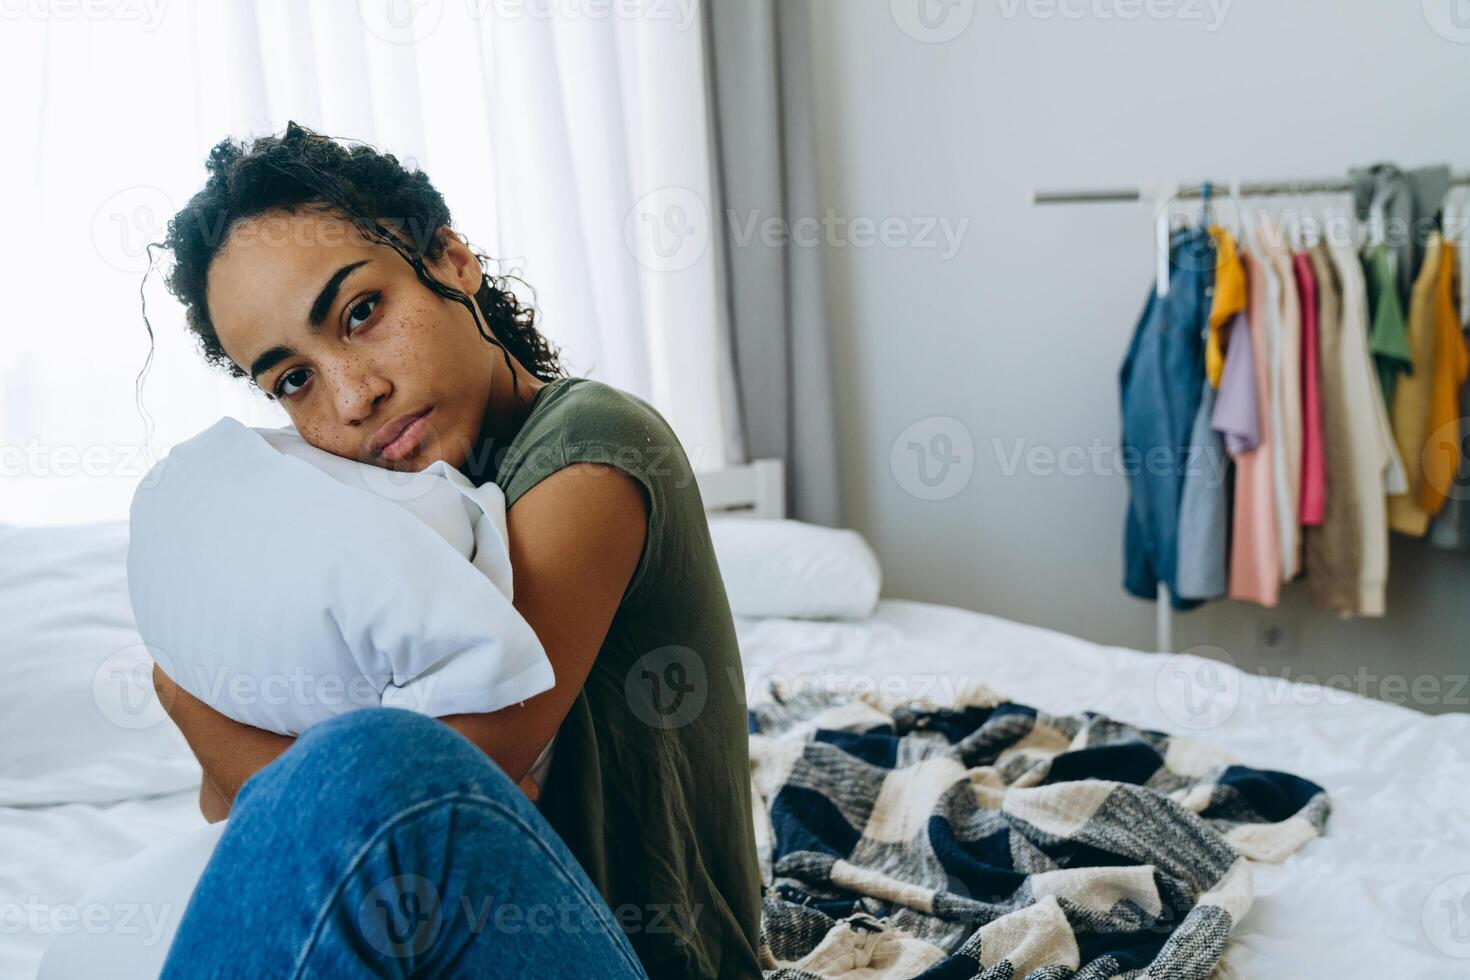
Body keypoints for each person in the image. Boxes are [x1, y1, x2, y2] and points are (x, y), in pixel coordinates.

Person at [147, 121, 762, 979]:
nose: (354, 397)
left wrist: (189, 700)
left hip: (642, 960)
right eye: (293, 379)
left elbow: (395, 803)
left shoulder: (595, 445)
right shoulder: (379, 529)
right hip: (450, 945)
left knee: (366, 761)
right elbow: (247, 816)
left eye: (361, 314)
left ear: (450, 260)